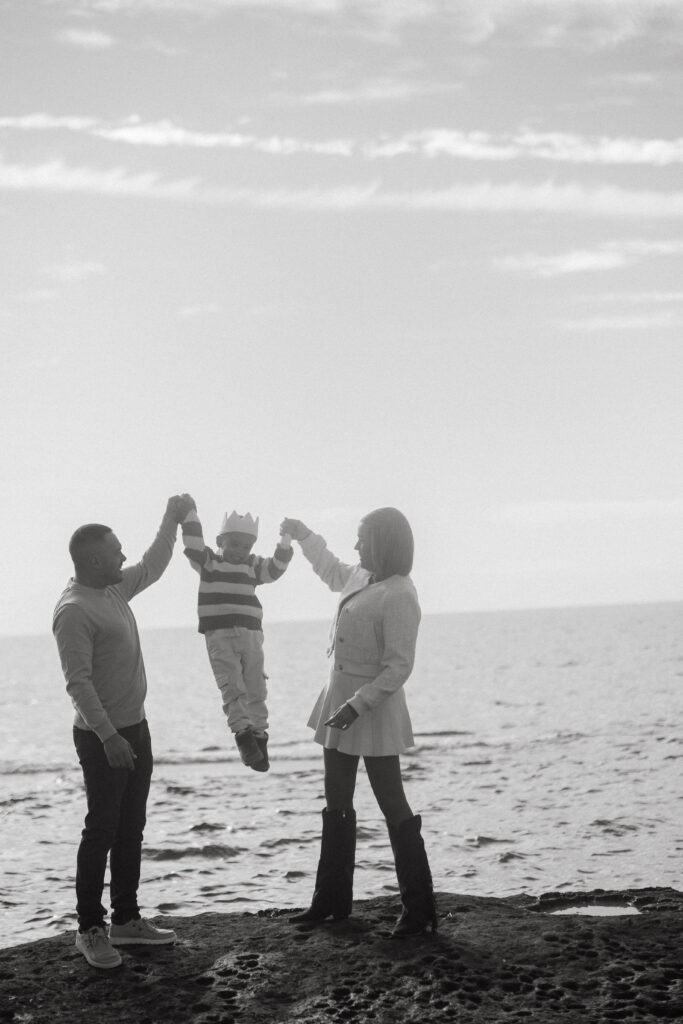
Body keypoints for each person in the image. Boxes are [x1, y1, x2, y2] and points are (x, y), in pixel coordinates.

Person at [52, 494, 195, 969]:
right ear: (94, 560)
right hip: (103, 738)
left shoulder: (112, 589)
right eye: (116, 551)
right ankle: (89, 929)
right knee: (102, 829)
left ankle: (127, 920)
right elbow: (78, 683)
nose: (123, 556)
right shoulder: (75, 610)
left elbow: (152, 565)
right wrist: (109, 737)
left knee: (132, 827)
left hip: (136, 727)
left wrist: (171, 519)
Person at [280, 508, 437, 938]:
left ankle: (419, 910)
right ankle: (331, 902)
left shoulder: (400, 593)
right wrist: (304, 535)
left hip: (373, 708)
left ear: (383, 542)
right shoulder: (361, 577)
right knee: (336, 800)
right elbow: (330, 568)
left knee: (392, 801)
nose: (355, 546)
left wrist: (357, 705)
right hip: (339, 699)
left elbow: (399, 666)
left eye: (362, 539)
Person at [181, 504, 293, 771]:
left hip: (251, 634)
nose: (239, 551)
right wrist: (189, 513)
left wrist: (286, 539)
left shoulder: (253, 566)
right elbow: (193, 545)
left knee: (256, 686)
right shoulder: (209, 562)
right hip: (219, 635)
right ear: (220, 541)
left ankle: (259, 737)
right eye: (234, 544)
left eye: (246, 546)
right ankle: (243, 735)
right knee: (231, 685)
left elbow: (276, 569)